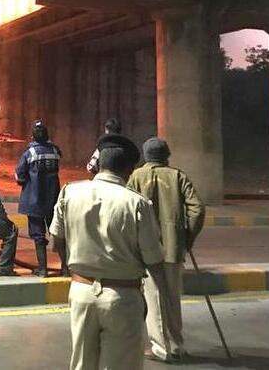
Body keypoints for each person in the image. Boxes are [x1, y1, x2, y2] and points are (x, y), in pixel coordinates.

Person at [51, 134, 167, 370]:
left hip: (81, 291)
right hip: (122, 296)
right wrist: (159, 296)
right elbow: (153, 260)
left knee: (82, 363)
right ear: (128, 169)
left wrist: (70, 270)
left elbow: (57, 240)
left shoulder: (69, 193)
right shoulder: (138, 204)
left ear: (100, 164)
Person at [126, 137, 205, 363]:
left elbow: (128, 209)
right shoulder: (178, 176)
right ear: (166, 155)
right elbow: (197, 209)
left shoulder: (136, 177)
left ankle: (161, 348)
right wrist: (187, 238)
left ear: (145, 155)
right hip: (173, 249)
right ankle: (177, 345)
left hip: (147, 249)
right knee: (172, 297)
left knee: (154, 297)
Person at [15, 120, 64, 277]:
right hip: (53, 200)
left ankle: (42, 270)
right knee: (57, 232)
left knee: (38, 235)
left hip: (34, 202)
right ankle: (66, 268)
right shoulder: (55, 151)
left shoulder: (30, 153)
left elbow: (20, 176)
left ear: (32, 137)